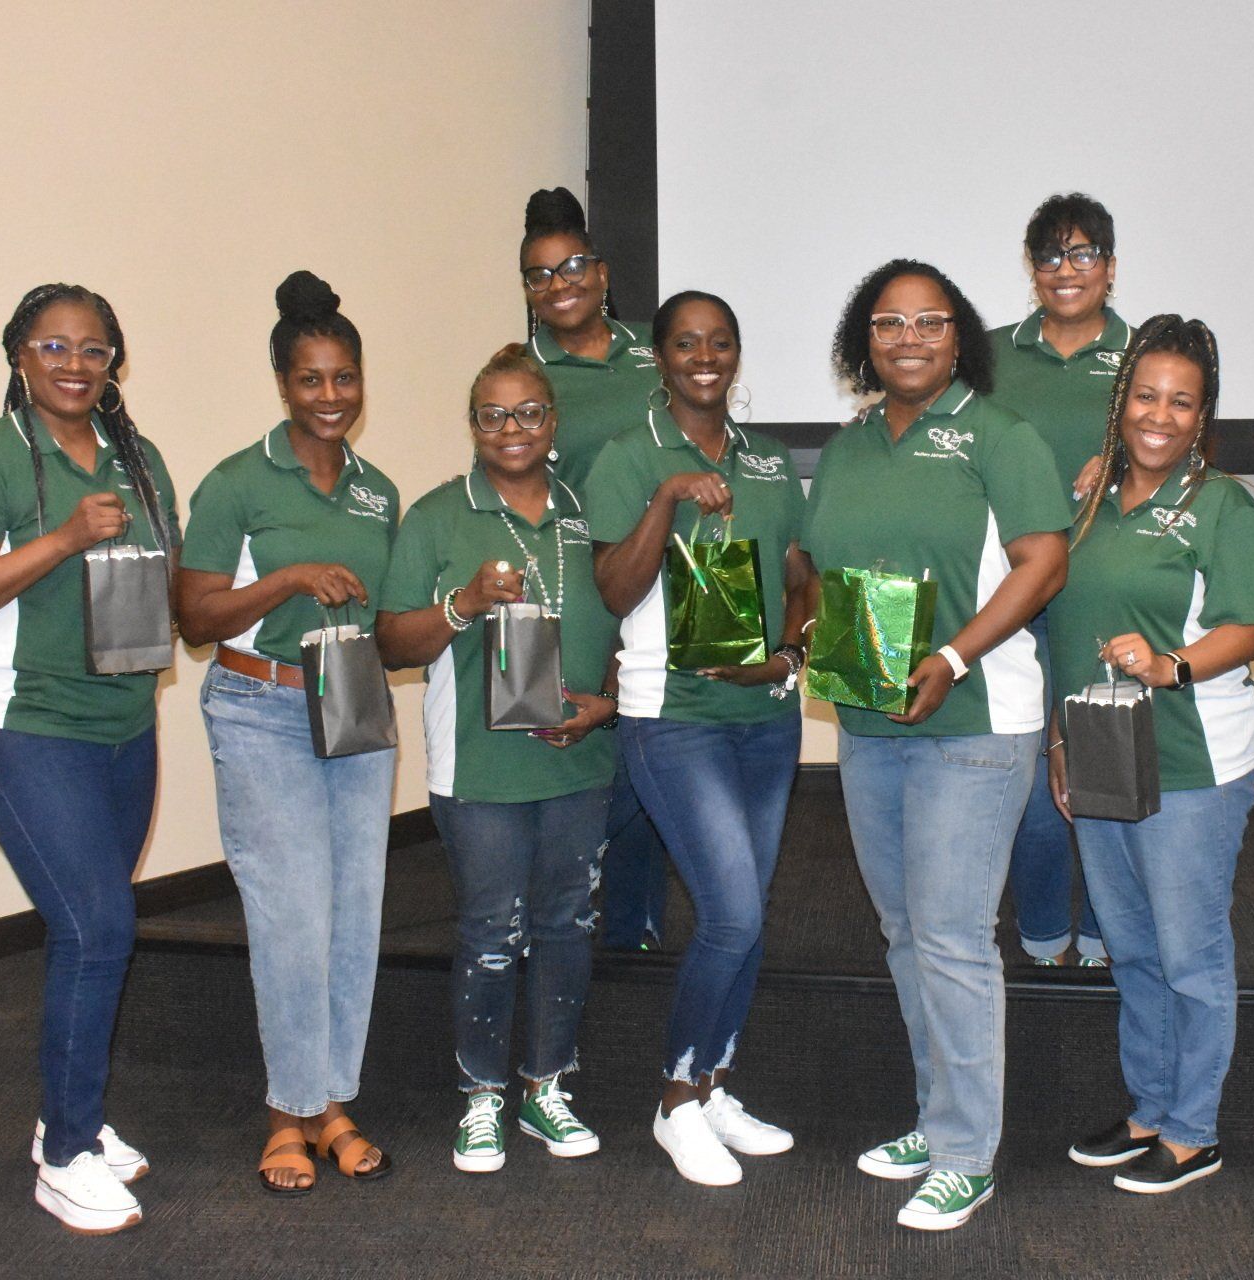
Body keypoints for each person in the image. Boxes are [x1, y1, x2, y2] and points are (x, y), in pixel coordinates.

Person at [803, 260, 1070, 1230]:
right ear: (862, 340)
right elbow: (822, 567)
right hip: (871, 721)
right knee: (907, 930)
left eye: (929, 321)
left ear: (959, 336)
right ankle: (939, 1114)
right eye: (887, 323)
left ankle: (967, 1151)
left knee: (954, 935)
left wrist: (954, 656)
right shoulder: (849, 445)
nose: (908, 338)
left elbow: (1045, 560)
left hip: (975, 719)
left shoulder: (1002, 438)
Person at [0, 283, 178, 1235]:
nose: (75, 364)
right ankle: (64, 1157)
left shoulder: (138, 460)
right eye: (54, 346)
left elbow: (159, 589)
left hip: (122, 729)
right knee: (98, 928)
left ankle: (75, 1119)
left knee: (102, 930)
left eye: (94, 349)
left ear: (116, 362)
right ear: (19, 356)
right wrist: (62, 539)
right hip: (19, 730)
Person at [176, 272, 399, 1193]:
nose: (331, 396)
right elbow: (195, 619)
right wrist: (290, 578)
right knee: (292, 919)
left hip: (351, 706)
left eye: (345, 377)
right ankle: (286, 1112)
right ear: (283, 384)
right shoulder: (235, 482)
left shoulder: (380, 494)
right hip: (260, 708)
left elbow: (384, 620)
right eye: (312, 379)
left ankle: (332, 1103)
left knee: (353, 917)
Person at [584, 291, 814, 1187]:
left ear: (737, 356)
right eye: (686, 343)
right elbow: (612, 588)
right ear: (661, 358)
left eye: (720, 343)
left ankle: (714, 1082)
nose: (704, 357)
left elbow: (800, 573)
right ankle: (677, 1100)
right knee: (733, 913)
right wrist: (668, 496)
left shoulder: (764, 463)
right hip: (671, 719)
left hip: (764, 721)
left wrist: (789, 654)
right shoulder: (627, 455)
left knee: (744, 920)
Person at [376, 345, 621, 1175]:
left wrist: (608, 704)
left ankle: (546, 1088)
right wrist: (465, 602)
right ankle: (481, 1099)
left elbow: (631, 621)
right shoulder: (438, 516)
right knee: (490, 929)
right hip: (479, 769)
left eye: (527, 414)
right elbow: (390, 641)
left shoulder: (589, 512)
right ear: (474, 427)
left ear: (552, 424)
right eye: (492, 415)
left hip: (578, 758)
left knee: (566, 925)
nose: (510, 429)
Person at [1045, 315, 1254, 1193]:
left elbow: (1247, 627)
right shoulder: (1088, 499)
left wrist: (1172, 664)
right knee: (1131, 947)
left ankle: (1194, 1128)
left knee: (1189, 952)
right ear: (1120, 400)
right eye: (1146, 395)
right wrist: (1063, 745)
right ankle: (1148, 1107)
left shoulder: (1223, 506)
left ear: (1203, 413)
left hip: (1192, 764)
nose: (1160, 415)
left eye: (1183, 401)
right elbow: (1063, 626)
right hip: (1100, 751)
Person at [519, 184, 671, 952]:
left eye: (573, 264)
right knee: (589, 743)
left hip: (671, 582)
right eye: (541, 274)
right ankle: (559, 919)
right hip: (580, 586)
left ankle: (633, 931)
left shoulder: (657, 349)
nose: (561, 283)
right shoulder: (522, 373)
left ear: (603, 272)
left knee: (649, 748)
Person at [986, 192, 1132, 968]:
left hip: (1104, 592)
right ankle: (1043, 938)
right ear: (1032, 269)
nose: (1065, 271)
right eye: (1050, 257)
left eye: (1082, 256)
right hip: (1011, 596)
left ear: (1109, 267)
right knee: (1035, 782)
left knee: (1105, 768)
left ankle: (1111, 936)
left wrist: (1126, 462)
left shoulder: (1145, 357)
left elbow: (1186, 451)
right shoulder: (989, 353)